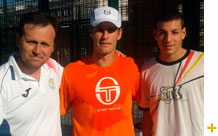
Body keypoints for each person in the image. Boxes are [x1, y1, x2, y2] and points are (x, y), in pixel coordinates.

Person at [60, 6, 140, 136]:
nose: (105, 36)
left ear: (119, 34)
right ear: (91, 32)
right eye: (99, 30)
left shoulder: (130, 66)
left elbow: (149, 102)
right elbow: (52, 113)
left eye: (111, 30)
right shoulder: (71, 71)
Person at [139, 11, 204, 136]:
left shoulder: (204, 62)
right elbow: (147, 115)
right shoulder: (147, 70)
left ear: (183, 33)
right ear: (155, 35)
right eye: (163, 33)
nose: (168, 39)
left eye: (174, 32)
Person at [0, 12, 63, 136]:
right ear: (18, 40)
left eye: (44, 44)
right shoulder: (2, 81)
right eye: (31, 42)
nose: (37, 51)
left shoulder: (53, 68)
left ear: (53, 47)